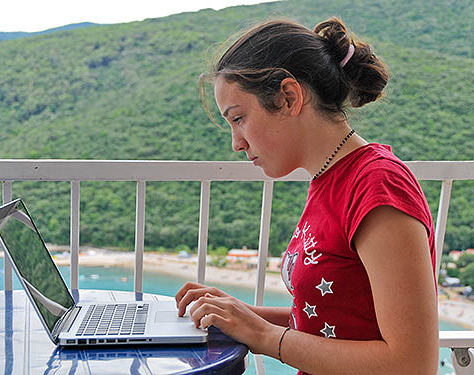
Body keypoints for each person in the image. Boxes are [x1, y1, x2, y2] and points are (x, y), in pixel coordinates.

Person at [175, 17, 439, 374]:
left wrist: (263, 335)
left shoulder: (378, 184)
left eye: (238, 118)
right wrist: (239, 313)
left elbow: (412, 364)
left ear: (289, 97)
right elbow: (332, 322)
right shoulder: (330, 179)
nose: (236, 143)